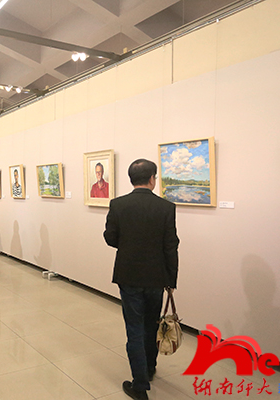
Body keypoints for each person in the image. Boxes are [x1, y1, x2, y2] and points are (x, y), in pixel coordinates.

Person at [103, 159, 179, 400]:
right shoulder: (166, 207)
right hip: (156, 277)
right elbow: (171, 246)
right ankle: (149, 367)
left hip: (129, 275)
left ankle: (140, 384)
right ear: (152, 179)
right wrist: (171, 279)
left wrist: (128, 245)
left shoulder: (118, 204)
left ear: (131, 179)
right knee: (151, 324)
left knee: (134, 328)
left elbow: (110, 238)